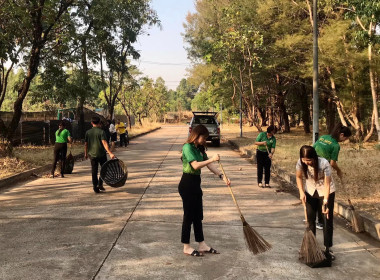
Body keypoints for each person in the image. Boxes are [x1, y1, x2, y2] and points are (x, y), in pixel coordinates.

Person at [179, 124, 230, 257]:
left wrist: (221, 175)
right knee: (188, 215)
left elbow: (209, 164)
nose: (205, 140)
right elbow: (195, 165)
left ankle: (201, 244)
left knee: (198, 215)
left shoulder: (199, 148)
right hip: (187, 183)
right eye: (204, 137)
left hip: (196, 183)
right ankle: (186, 246)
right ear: (197, 135)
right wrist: (212, 159)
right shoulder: (187, 147)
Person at [296, 145, 335, 263]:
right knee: (310, 220)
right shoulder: (300, 162)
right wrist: (301, 192)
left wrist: (326, 202)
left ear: (313, 157)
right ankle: (312, 248)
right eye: (304, 160)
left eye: (308, 160)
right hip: (311, 191)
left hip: (326, 192)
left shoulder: (324, 164)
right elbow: (298, 177)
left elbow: (327, 184)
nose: (306, 162)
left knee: (326, 220)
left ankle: (328, 249)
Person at [313, 123, 352, 230]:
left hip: (312, 167)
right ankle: (321, 222)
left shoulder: (323, 137)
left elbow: (313, 149)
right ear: (342, 135)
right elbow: (332, 163)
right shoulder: (335, 145)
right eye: (346, 138)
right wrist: (339, 171)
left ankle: (312, 217)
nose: (345, 140)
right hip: (322, 169)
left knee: (314, 193)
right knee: (326, 194)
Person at [85, 116, 115, 194]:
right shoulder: (101, 132)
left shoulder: (88, 132)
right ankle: (100, 183)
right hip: (101, 154)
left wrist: (85, 153)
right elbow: (104, 143)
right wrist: (110, 153)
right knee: (104, 169)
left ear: (91, 123)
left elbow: (86, 144)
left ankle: (95, 186)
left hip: (92, 154)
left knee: (94, 171)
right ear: (99, 123)